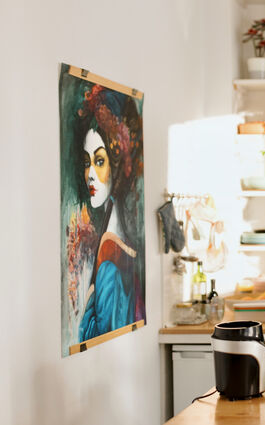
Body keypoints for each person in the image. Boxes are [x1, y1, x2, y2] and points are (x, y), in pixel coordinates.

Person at [77, 87, 145, 342]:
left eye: (100, 161)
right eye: (87, 162)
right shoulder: (109, 229)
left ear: (116, 163)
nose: (90, 174)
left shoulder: (109, 265)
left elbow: (93, 331)